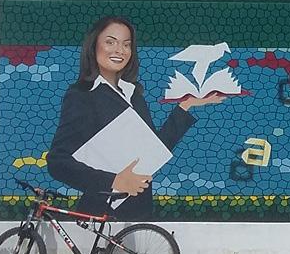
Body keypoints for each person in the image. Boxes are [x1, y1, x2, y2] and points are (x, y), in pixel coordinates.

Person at [46, 17, 224, 220]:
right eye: (110, 42)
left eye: (126, 44)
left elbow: (153, 150)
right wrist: (113, 181)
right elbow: (58, 162)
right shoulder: (82, 95)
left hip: (140, 211)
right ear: (93, 46)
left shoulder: (134, 95)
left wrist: (186, 105)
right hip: (100, 214)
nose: (119, 50)